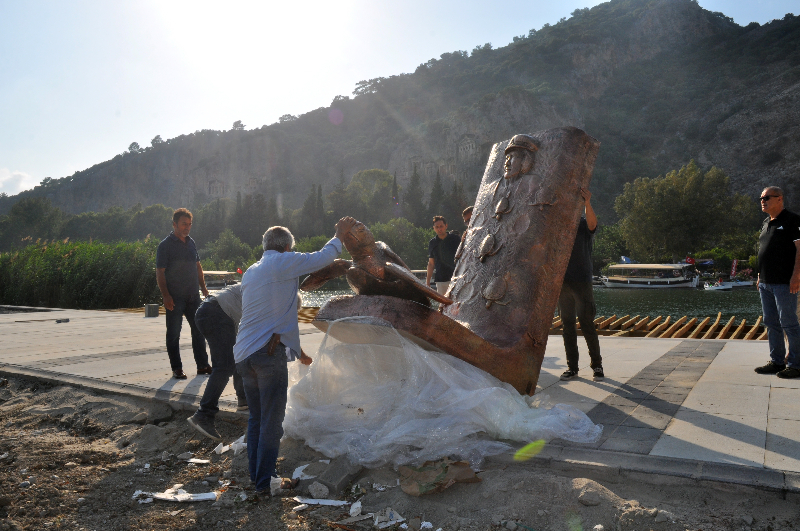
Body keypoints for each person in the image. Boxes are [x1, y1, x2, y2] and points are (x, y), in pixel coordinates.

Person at [234, 216, 357, 495]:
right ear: (287, 248)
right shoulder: (282, 263)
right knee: (271, 422)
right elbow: (323, 257)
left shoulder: (253, 270)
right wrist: (338, 234)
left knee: (256, 418)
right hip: (268, 354)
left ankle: (258, 477)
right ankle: (266, 483)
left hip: (244, 355)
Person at [156, 208, 211, 380]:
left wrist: (203, 288)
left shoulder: (191, 242)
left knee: (199, 330)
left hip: (193, 296)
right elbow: (160, 272)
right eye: (183, 224)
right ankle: (177, 368)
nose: (187, 228)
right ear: (174, 224)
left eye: (189, 224)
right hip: (175, 297)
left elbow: (198, 267)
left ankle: (202, 365)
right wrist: (166, 295)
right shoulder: (165, 246)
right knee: (173, 334)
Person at [753, 187, 800, 379]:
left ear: (779, 199)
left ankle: (796, 364)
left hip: (784, 282)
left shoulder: (792, 220)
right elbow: (764, 250)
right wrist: (759, 275)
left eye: (766, 198)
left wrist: (796, 276)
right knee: (771, 323)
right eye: (761, 198)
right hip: (765, 282)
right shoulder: (766, 222)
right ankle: (777, 361)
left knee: (789, 323)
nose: (762, 201)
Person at [558, 188, 603, 381]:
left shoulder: (583, 224)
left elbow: (594, 224)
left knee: (586, 324)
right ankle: (572, 367)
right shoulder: (558, 229)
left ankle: (597, 365)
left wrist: (587, 203)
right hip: (563, 281)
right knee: (567, 326)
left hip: (582, 280)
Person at [426, 215, 461, 295]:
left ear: (446, 226)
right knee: (443, 305)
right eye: (437, 227)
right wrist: (427, 282)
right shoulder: (432, 243)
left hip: (457, 277)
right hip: (441, 280)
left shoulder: (455, 239)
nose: (439, 229)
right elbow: (431, 263)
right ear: (434, 228)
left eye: (441, 226)